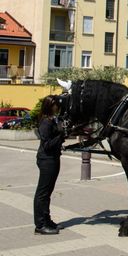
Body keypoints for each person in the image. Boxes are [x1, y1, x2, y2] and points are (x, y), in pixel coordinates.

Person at [33, 95, 66, 235]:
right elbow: (46, 145)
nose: (58, 107)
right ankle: (40, 225)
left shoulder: (51, 119)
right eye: (56, 105)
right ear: (50, 105)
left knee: (47, 193)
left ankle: (46, 220)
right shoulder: (46, 122)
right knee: (43, 193)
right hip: (47, 160)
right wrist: (61, 136)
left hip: (52, 158)